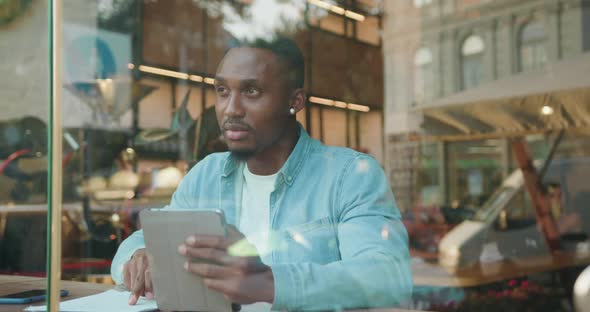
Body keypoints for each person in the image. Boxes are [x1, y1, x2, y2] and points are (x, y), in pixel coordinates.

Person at [111, 36, 412, 311]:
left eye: (251, 91)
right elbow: (143, 240)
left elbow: (385, 276)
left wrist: (269, 283)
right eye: (222, 91)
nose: (231, 109)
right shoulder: (206, 174)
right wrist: (138, 258)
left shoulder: (349, 175)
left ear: (294, 102)